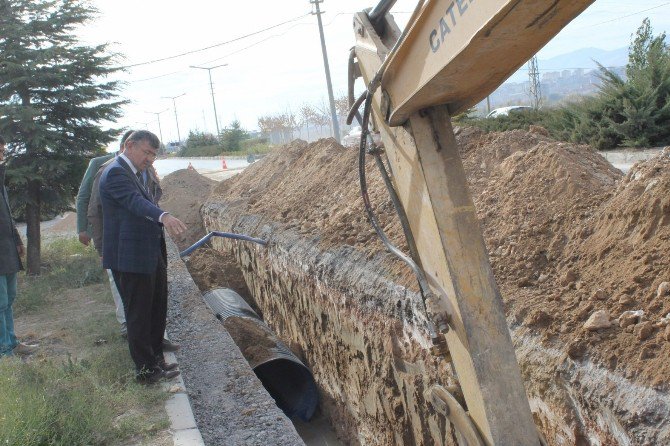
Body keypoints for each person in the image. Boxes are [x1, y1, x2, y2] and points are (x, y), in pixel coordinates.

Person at [99, 130, 187, 384]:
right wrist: (164, 216)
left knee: (155, 308)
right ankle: (146, 373)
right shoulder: (116, 172)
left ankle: (156, 361)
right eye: (147, 152)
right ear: (129, 145)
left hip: (147, 252)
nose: (150, 159)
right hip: (130, 256)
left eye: (154, 155)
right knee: (138, 313)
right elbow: (135, 202)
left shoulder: (137, 172)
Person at [0, 136, 37, 357]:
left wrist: (17, 240)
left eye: (3, 150)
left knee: (9, 298)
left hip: (7, 250)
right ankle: (4, 350)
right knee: (0, 302)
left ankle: (12, 342)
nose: (2, 155)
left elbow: (6, 214)